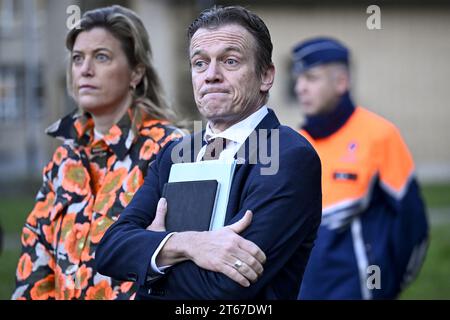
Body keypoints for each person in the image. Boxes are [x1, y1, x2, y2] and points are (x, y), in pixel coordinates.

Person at [96, 5, 322, 300]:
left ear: (265, 76)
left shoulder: (286, 156)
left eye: (230, 61)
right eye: (200, 63)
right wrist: (187, 244)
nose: (211, 75)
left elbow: (225, 287)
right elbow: (110, 251)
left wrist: (150, 258)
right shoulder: (175, 153)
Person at [12, 5, 183, 300]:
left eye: (101, 57)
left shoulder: (170, 149)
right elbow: (35, 253)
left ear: (136, 72)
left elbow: (179, 261)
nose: (85, 69)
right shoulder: (63, 159)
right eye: (78, 58)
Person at [292, 37, 429, 299]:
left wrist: (387, 287)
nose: (300, 88)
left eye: (311, 78)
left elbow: (413, 226)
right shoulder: (297, 144)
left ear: (341, 82)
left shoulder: (380, 135)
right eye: (297, 79)